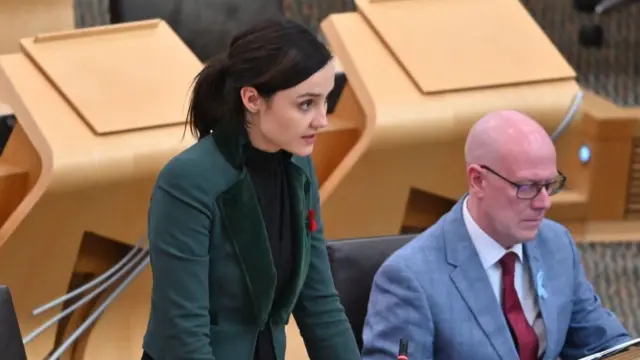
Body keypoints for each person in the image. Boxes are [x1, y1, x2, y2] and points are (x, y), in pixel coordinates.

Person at [141, 19, 360, 360]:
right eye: (306, 104)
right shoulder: (187, 180)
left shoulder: (298, 166)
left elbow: (319, 302)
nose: (322, 120)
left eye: (325, 102)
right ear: (252, 99)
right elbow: (184, 333)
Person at [361, 111, 631, 360]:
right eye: (527, 187)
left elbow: (603, 344)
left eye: (549, 185)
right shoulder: (408, 280)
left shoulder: (556, 244)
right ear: (478, 180)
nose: (544, 202)